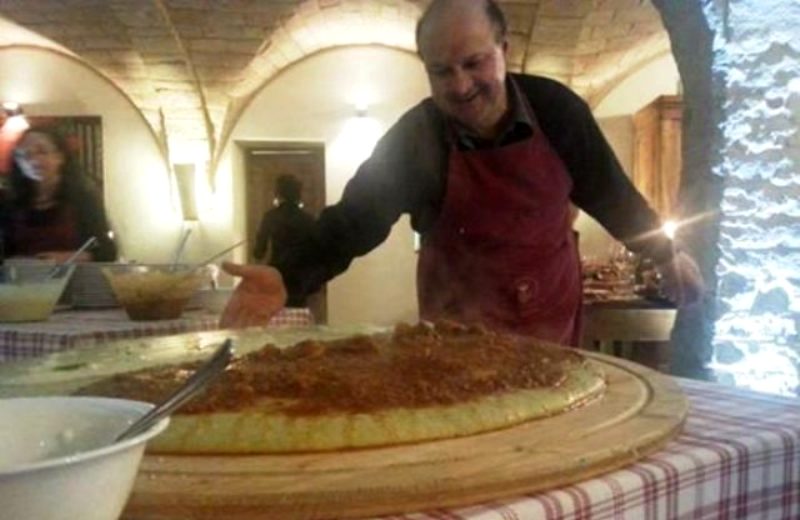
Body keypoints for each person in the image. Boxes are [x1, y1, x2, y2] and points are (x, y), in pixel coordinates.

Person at [221, 0, 704, 343]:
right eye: (442, 71)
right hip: (454, 336)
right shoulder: (416, 137)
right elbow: (353, 221)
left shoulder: (557, 111)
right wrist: (286, 275)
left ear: (504, 49)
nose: (461, 85)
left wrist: (664, 254)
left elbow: (610, 193)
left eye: (474, 63)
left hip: (550, 326)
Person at [0, 127, 117, 262]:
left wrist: (67, 258)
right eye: (25, 155)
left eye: (42, 152)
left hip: (75, 278)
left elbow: (108, 251)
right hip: (24, 280)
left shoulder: (83, 198)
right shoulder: (9, 202)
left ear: (60, 157)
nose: (33, 160)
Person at [252, 174, 315, 307]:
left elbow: (259, 253)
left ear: (278, 194)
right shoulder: (308, 219)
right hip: (299, 276)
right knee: (297, 316)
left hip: (277, 274)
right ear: (298, 194)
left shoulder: (270, 217)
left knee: (275, 315)